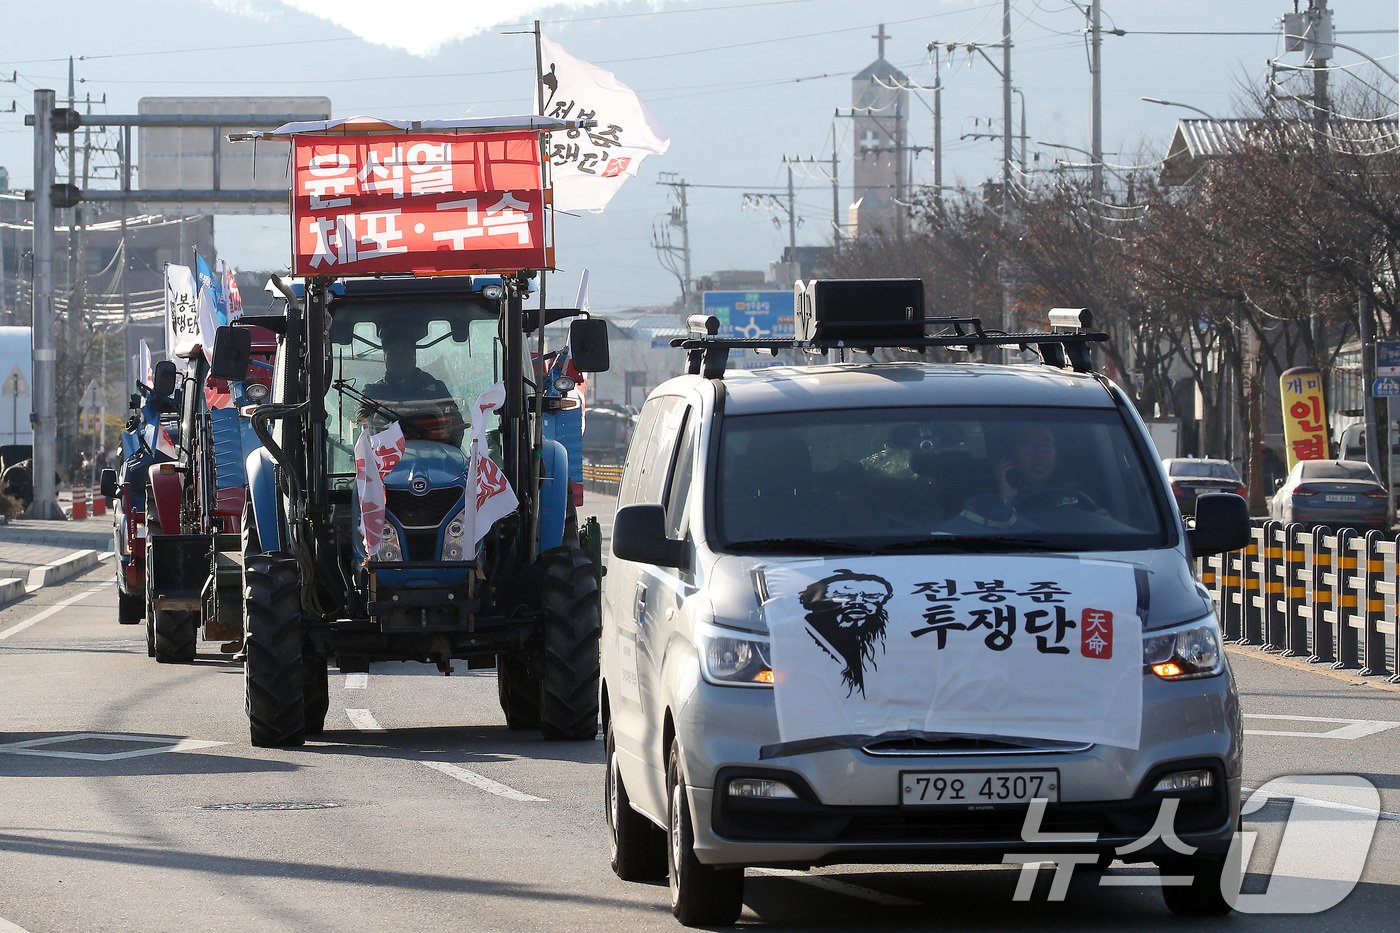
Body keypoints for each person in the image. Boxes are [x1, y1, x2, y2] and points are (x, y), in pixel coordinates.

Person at [361, 329, 465, 445]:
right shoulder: (372, 392)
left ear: (414, 356)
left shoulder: (436, 388)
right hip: (385, 459)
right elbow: (363, 430)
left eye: (405, 353)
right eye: (394, 354)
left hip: (435, 457)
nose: (400, 359)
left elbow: (456, 425)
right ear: (384, 357)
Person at [995, 423, 1096, 512]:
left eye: (1045, 444)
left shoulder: (1079, 493)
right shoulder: (994, 497)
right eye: (1027, 445)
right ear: (1013, 455)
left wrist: (1101, 520)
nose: (1038, 453)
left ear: (1057, 454)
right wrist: (1005, 502)